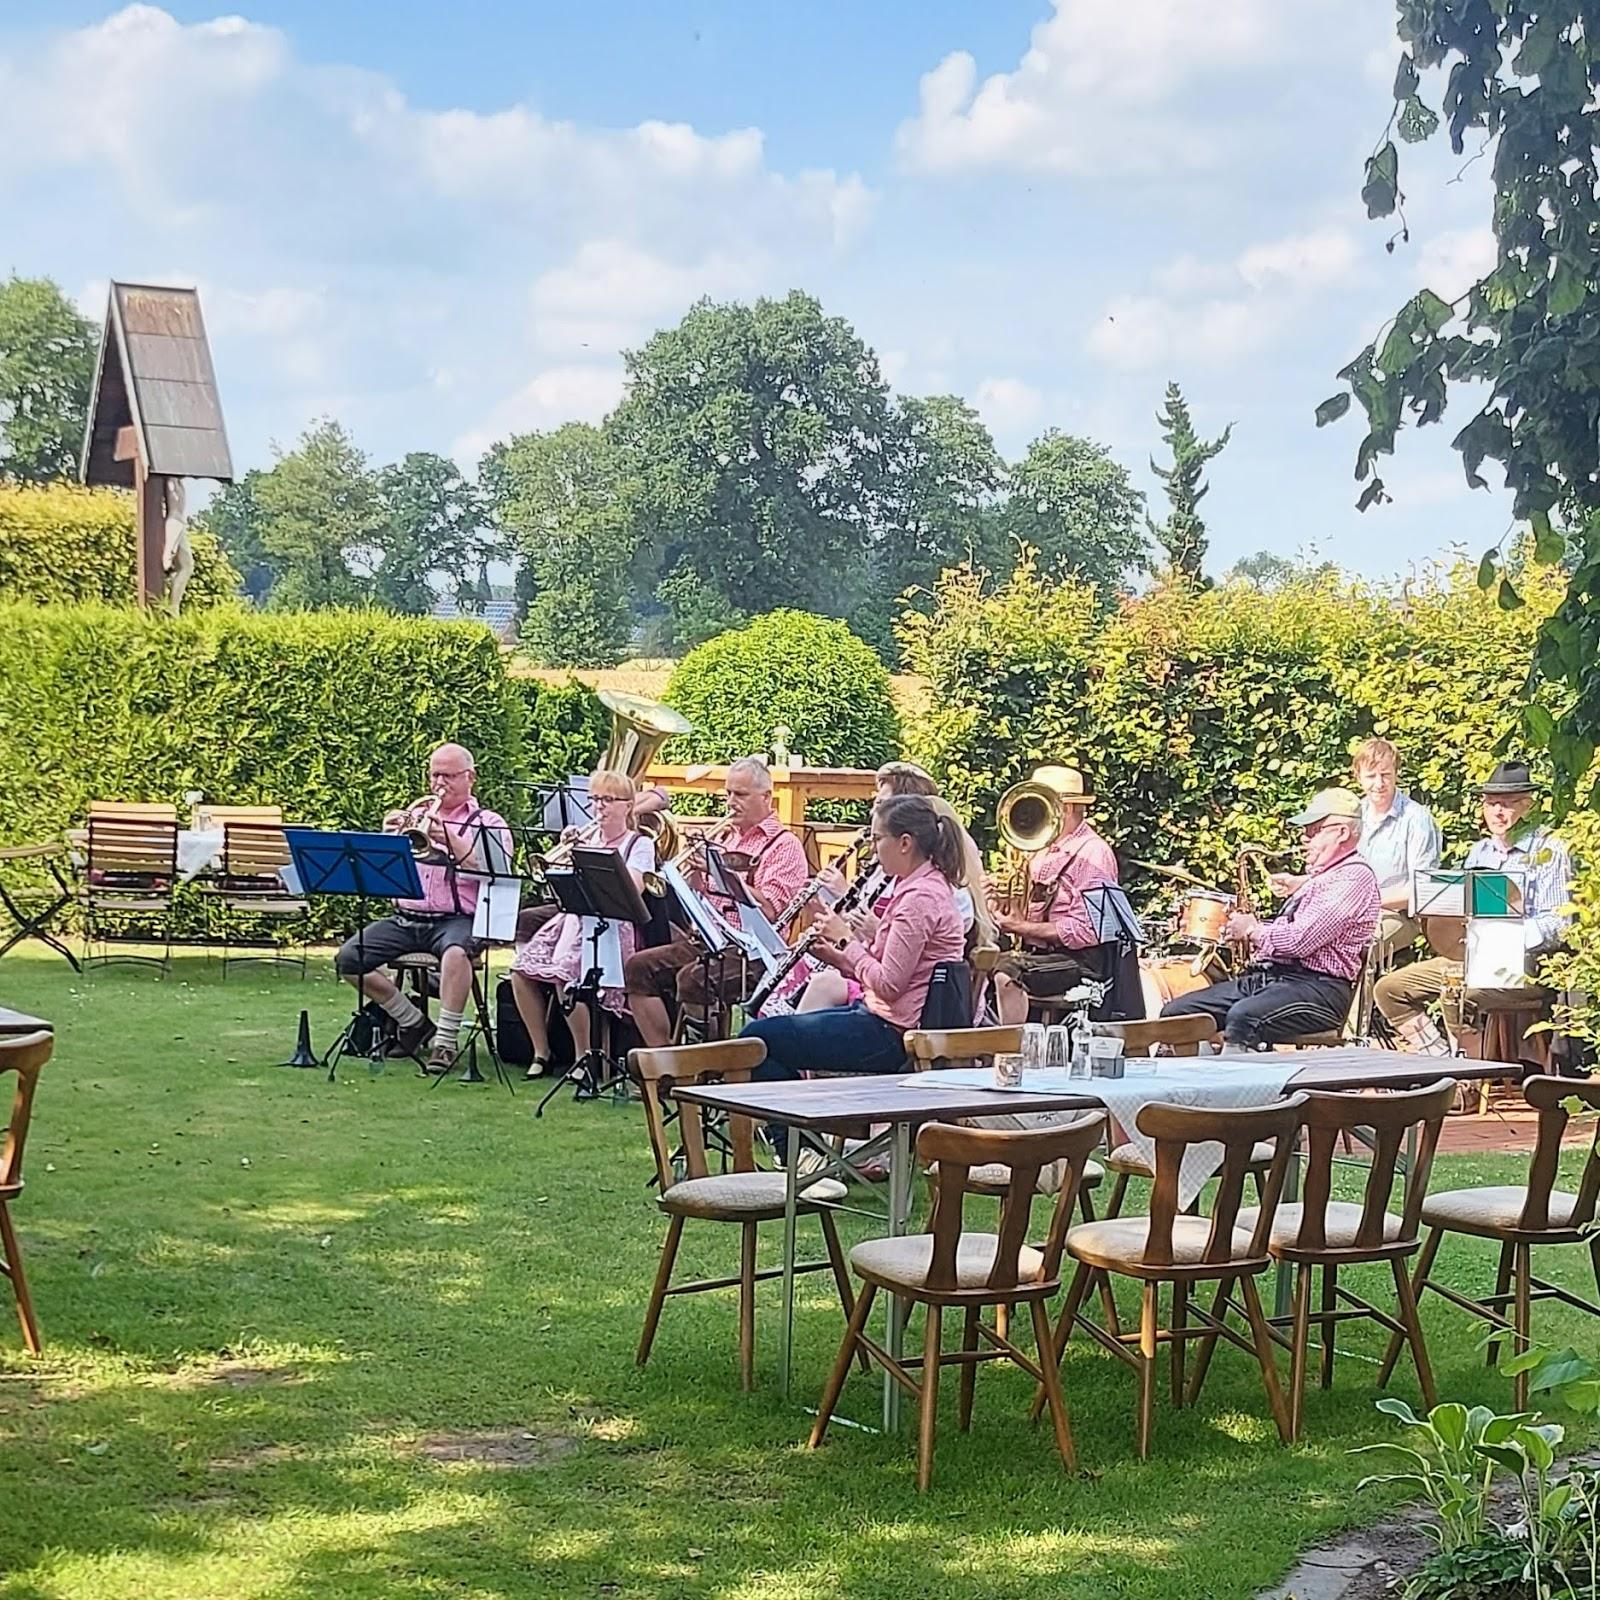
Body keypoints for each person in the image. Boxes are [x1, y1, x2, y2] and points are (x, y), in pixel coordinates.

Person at [740, 794, 967, 1151]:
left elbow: (889, 985)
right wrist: (836, 955)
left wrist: (845, 940)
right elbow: (881, 966)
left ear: (905, 843)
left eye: (879, 839)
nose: (874, 850)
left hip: (894, 1036)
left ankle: (800, 1151)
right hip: (884, 1020)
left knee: (757, 1041)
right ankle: (806, 1146)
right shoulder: (917, 887)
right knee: (763, 1036)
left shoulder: (919, 899)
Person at [1374, 761, 1575, 1054]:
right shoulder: (1478, 851)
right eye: (1491, 803)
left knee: (1457, 992)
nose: (1498, 812)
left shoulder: (1550, 850)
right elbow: (1462, 911)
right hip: (1472, 959)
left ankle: (1468, 1076)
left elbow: (1560, 923)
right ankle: (1440, 1059)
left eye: (1508, 804)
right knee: (1389, 990)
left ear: (1528, 806)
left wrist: (1510, 935)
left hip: (1525, 965)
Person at [334, 743, 512, 1074]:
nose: (439, 784)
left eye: (449, 776)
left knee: (457, 954)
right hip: (407, 917)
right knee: (348, 958)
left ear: (470, 777)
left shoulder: (488, 822)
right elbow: (385, 872)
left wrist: (446, 836)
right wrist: (389, 840)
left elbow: (492, 870)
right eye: (434, 775)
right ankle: (412, 1020)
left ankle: (445, 1042)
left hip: (459, 918)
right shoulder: (417, 815)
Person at [1161, 787, 1380, 1048]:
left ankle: (1243, 1086)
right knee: (1177, 1015)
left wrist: (1253, 930)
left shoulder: (1353, 878)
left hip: (1320, 989)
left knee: (1244, 1017)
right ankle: (1194, 1078)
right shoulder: (1324, 878)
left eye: (1313, 829)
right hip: (1276, 980)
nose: (1304, 837)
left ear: (1342, 832)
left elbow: (1300, 940)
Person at [624, 756, 809, 1045]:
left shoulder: (785, 845)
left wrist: (721, 872)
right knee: (637, 967)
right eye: (729, 793)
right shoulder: (723, 835)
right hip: (709, 940)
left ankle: (708, 1065)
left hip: (754, 952)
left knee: (695, 980)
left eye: (741, 795)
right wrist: (694, 874)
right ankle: (664, 1060)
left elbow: (773, 910)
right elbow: (699, 898)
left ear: (766, 797)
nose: (731, 802)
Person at [509, 769, 655, 1079]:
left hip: (615, 926)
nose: (599, 807)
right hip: (575, 920)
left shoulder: (639, 844)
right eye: (595, 799)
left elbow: (632, 890)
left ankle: (583, 1057)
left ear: (628, 805)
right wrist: (568, 857)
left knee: (565, 976)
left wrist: (594, 860)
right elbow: (559, 889)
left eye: (608, 800)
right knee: (520, 972)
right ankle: (541, 1050)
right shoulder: (586, 837)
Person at [1271, 737, 1439, 959]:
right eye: (1371, 776)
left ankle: (1355, 995)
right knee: (1300, 936)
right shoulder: (1351, 813)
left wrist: (1363, 901)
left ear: (1396, 774)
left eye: (1386, 775)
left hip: (1395, 915)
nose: (1379, 784)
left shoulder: (1417, 819)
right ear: (1358, 777)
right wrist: (1299, 882)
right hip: (1342, 909)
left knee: (1355, 946)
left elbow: (1422, 889)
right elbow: (1333, 873)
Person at [990, 766, 1119, 1025]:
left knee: (1008, 972)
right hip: (1038, 952)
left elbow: (1089, 930)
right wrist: (998, 900)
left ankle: (1013, 1050)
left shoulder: (1094, 853)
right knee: (977, 962)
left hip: (1079, 961)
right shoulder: (1039, 848)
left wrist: (1022, 926)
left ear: (1068, 807)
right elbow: (1022, 912)